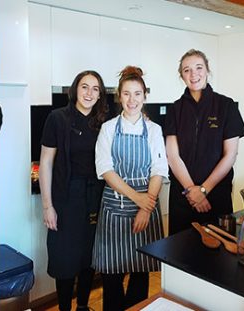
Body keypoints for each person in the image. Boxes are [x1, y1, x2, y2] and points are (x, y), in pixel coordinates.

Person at [92, 66, 167, 311]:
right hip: (115, 206)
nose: (132, 100)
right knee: (112, 275)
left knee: (140, 271)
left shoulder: (154, 130)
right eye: (126, 94)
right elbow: (105, 169)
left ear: (145, 96)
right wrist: (139, 199)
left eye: (137, 94)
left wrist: (147, 207)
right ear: (119, 96)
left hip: (147, 205)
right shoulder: (109, 128)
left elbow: (159, 170)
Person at [39, 70, 108, 311]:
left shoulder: (103, 123)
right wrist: (48, 205)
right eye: (84, 87)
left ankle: (82, 306)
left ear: (100, 95)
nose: (89, 93)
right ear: (75, 89)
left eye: (95, 89)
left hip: (95, 197)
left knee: (88, 256)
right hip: (65, 196)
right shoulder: (57, 118)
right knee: (65, 258)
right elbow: (46, 162)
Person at [164, 49, 244, 235]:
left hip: (216, 195)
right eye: (187, 70)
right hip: (183, 197)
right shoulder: (175, 109)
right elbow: (173, 155)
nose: (194, 74)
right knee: (179, 253)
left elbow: (230, 154)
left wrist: (203, 190)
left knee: (219, 252)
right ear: (182, 76)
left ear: (208, 71)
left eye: (198, 67)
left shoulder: (226, 106)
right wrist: (191, 191)